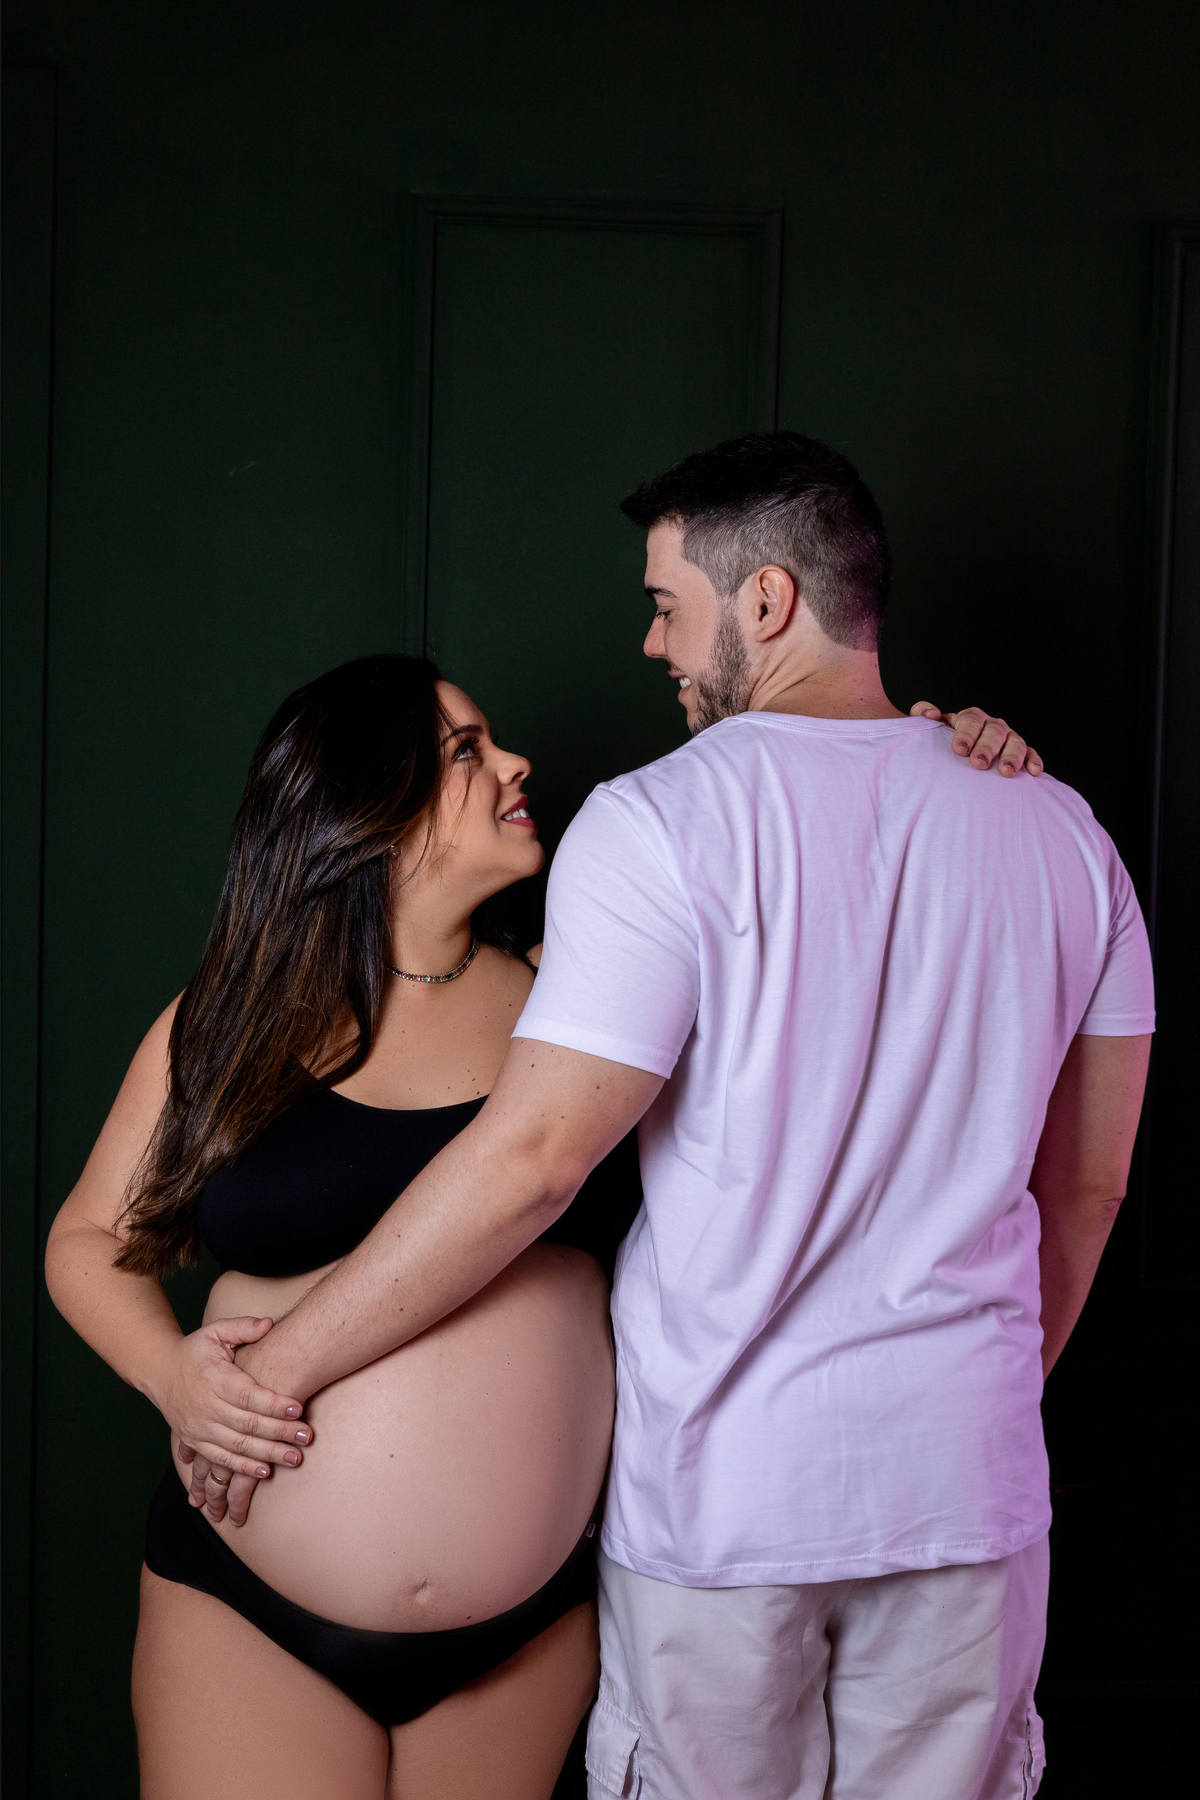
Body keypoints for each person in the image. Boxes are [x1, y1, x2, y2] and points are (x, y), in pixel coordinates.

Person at [47, 465, 1039, 1800]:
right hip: (249, 1602)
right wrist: (181, 1384)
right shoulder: (224, 1018)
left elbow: (842, 931)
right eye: (464, 751)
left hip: (528, 1628)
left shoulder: (592, 993)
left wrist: (933, 748)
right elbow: (89, 1238)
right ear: (362, 806)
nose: (514, 762)